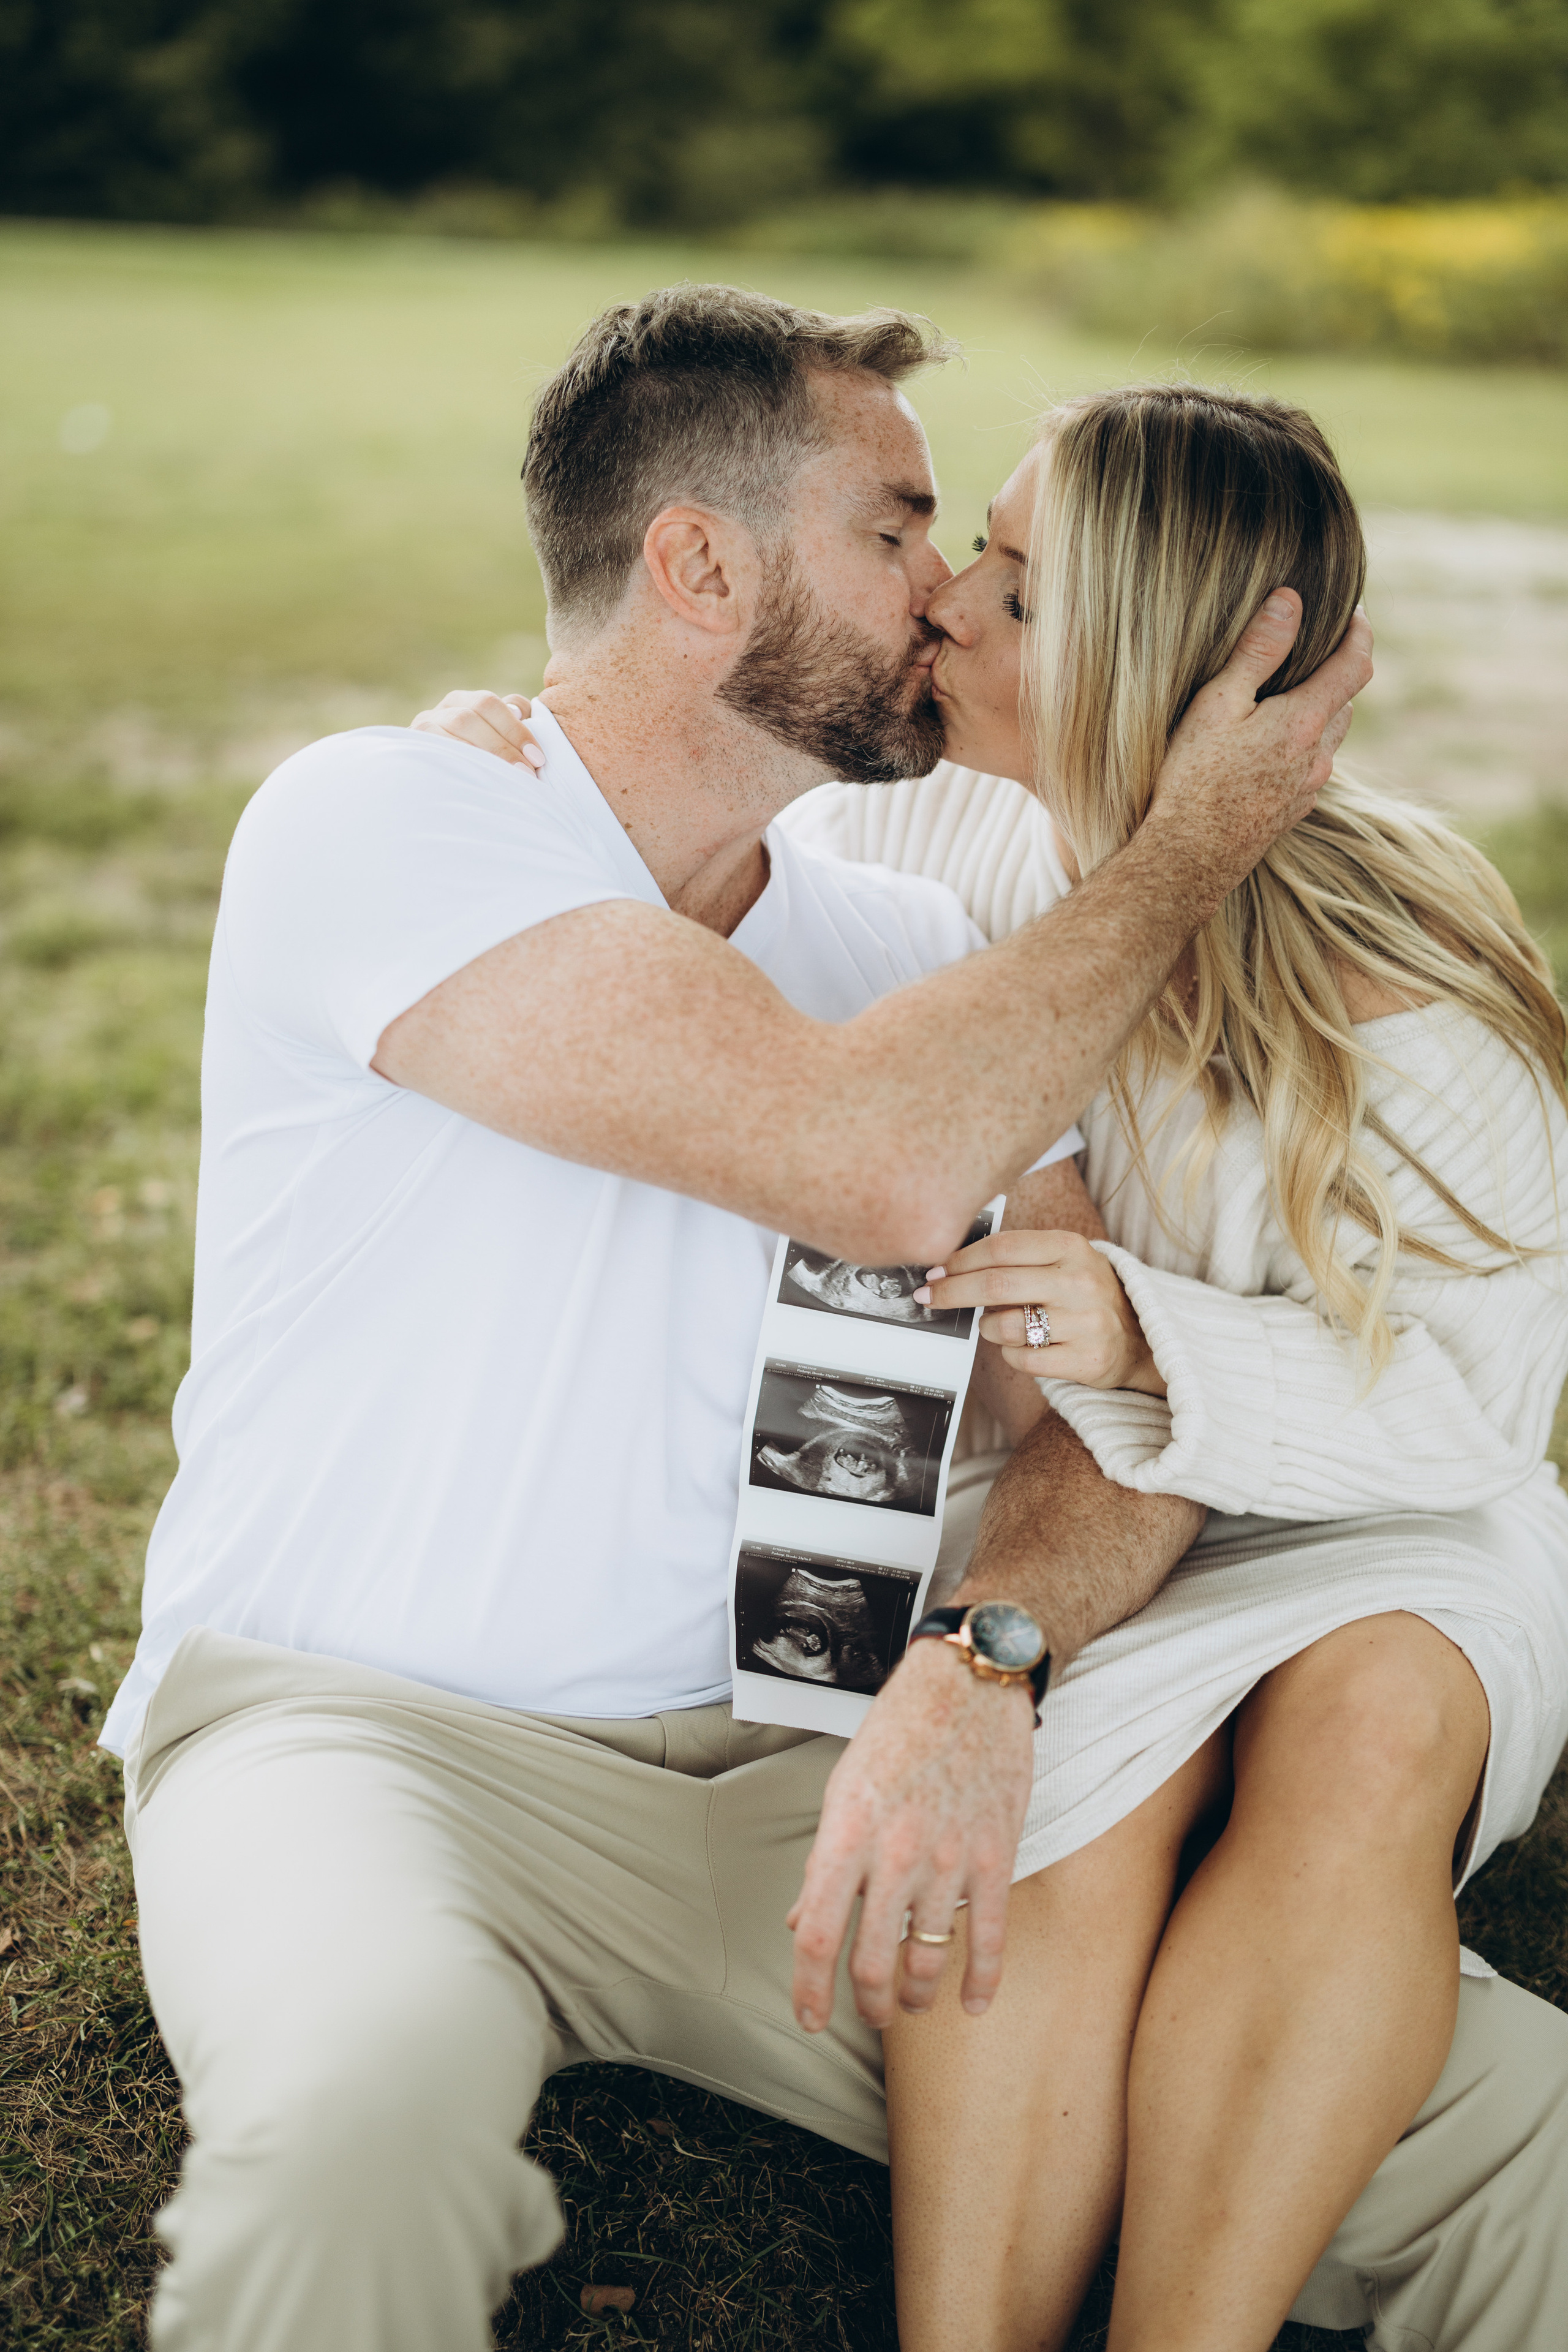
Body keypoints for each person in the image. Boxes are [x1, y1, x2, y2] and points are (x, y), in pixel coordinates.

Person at [89, 279, 1471, 2352]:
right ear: (701, 564)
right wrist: (1197, 839)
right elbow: (876, 1157)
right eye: (900, 529)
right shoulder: (383, 820)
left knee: (1471, 2133)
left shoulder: (910, 933)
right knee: (359, 2135)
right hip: (358, 1741)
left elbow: (1092, 1406)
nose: (945, 593)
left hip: (785, 1771)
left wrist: (979, 1658)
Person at [772, 385, 1568, 2352]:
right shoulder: (938, 824)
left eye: (1022, 593)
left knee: (1371, 1721)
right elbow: (685, 814)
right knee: (1072, 1764)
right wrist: (505, 756)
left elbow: (1468, 1406)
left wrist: (1154, 1334)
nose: (947, 599)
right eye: (982, 551)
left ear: (1151, 678)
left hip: (1397, 1525)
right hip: (1105, 1501)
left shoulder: (1410, 983)